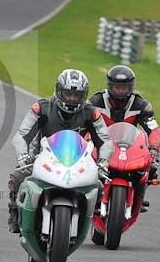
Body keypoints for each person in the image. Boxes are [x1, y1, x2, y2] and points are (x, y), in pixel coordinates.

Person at [7, 69, 113, 233]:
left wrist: (103, 162)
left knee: (99, 183)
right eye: (67, 94)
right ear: (58, 91)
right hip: (42, 158)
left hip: (78, 160)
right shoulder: (41, 108)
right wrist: (23, 156)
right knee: (18, 176)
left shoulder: (92, 113)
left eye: (76, 95)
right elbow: (21, 135)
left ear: (84, 96)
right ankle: (15, 212)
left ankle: (93, 213)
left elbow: (105, 140)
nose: (72, 98)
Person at [89, 65, 160, 212]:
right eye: (117, 87)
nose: (120, 91)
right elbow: (84, 124)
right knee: (87, 165)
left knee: (152, 167)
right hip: (102, 146)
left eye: (124, 88)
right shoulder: (96, 101)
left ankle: (139, 198)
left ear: (131, 87)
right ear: (109, 86)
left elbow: (154, 130)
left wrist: (153, 148)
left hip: (128, 147)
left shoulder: (142, 105)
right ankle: (88, 193)